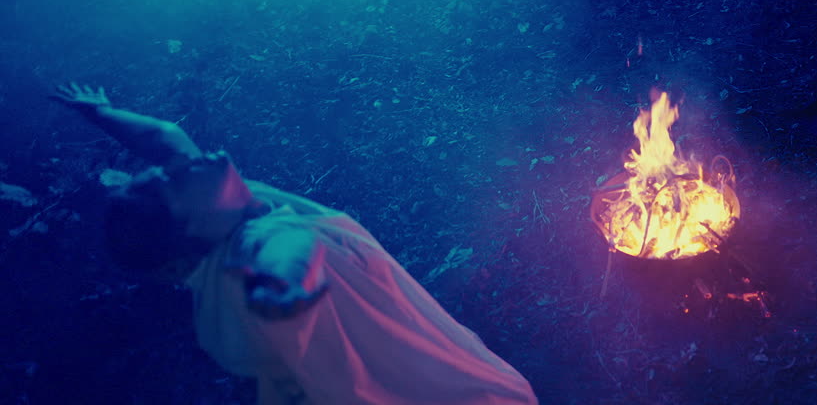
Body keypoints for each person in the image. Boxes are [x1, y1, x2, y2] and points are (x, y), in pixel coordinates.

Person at [51, 82, 538, 405]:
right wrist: (283, 286)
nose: (200, 157)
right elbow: (288, 252)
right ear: (193, 235)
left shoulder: (224, 213)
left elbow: (166, 140)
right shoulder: (252, 247)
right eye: (180, 177)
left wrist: (101, 113)